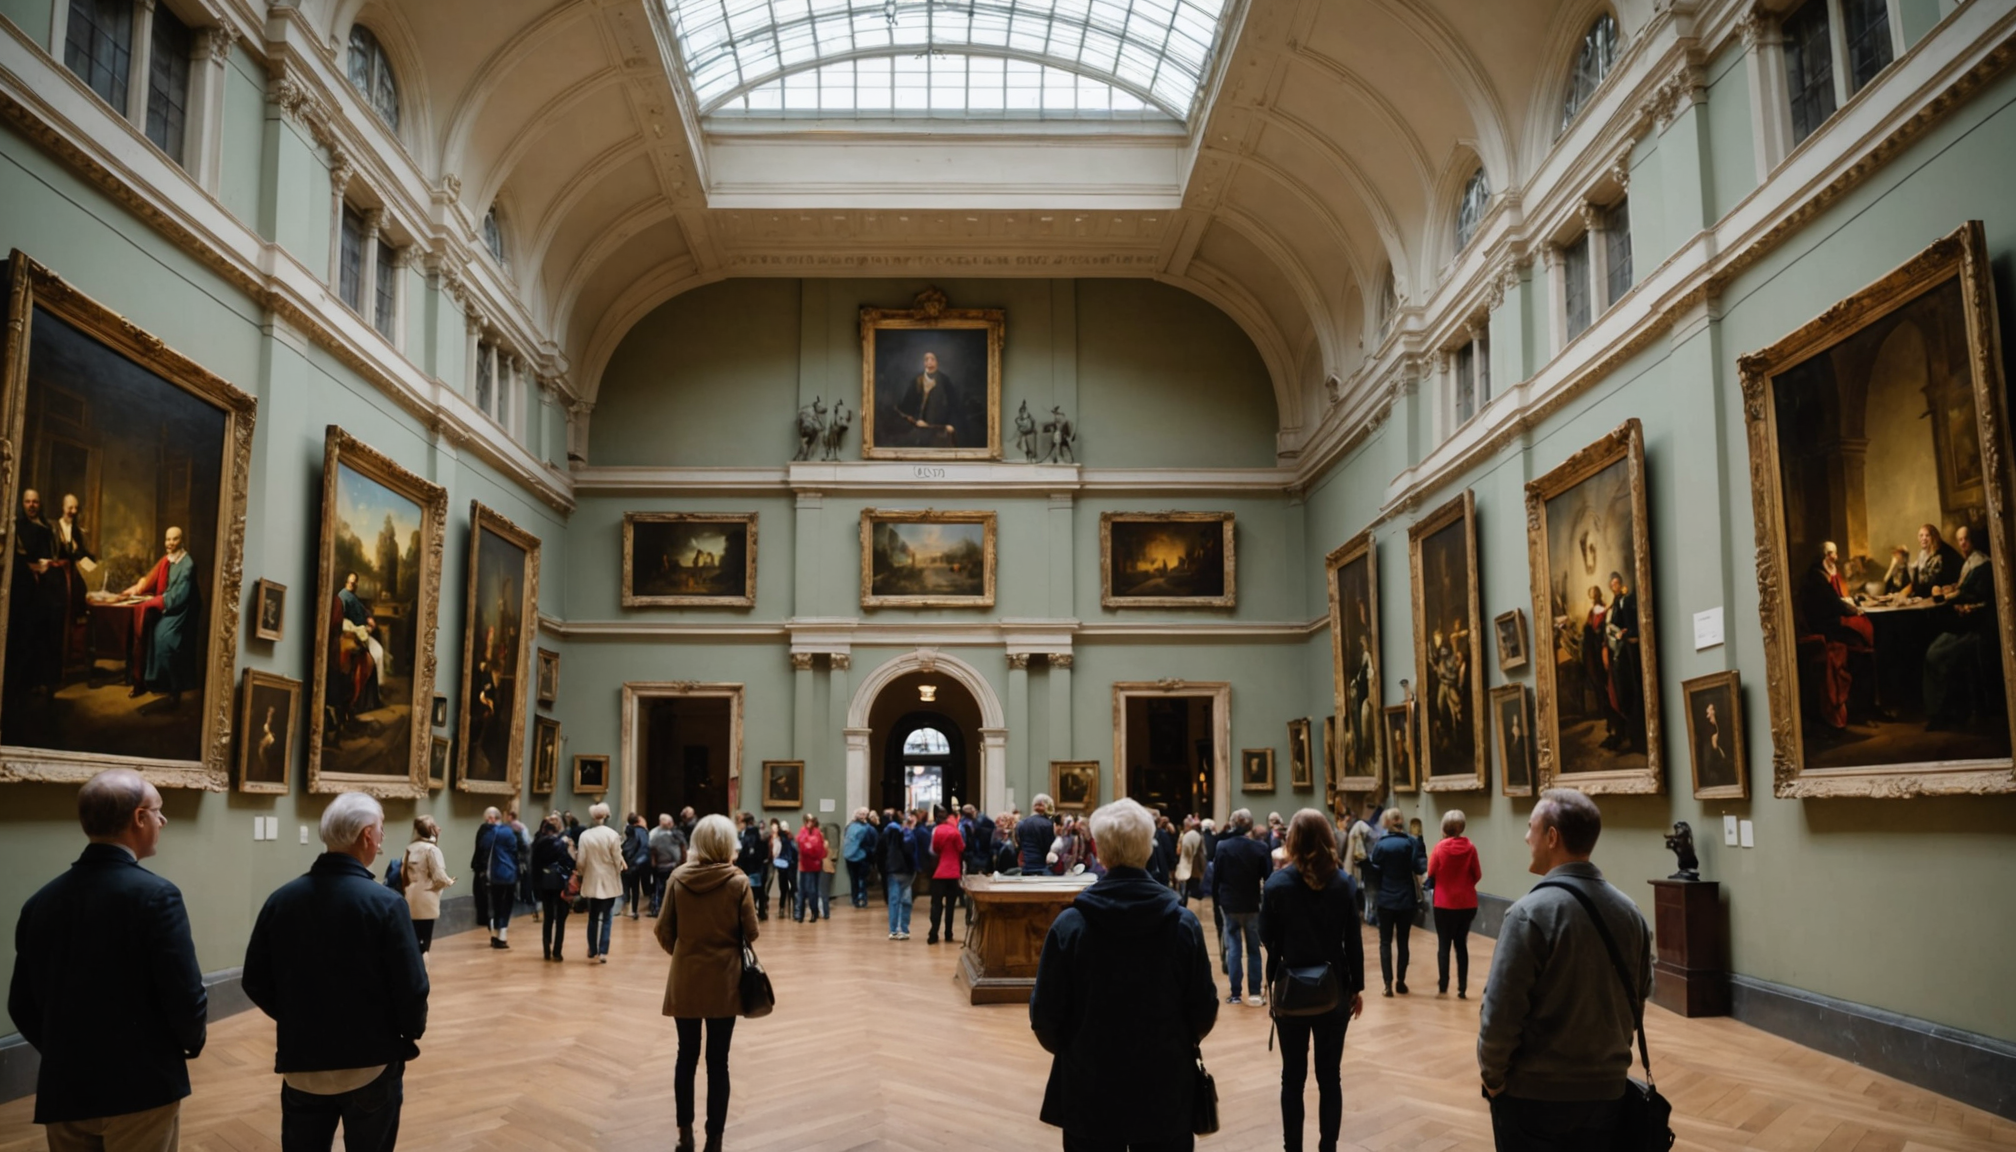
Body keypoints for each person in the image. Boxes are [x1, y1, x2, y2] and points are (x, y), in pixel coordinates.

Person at [10, 767, 205, 1152]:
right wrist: (190, 1042)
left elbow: (21, 1004)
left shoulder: (40, 902)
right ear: (138, 818)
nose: (162, 821)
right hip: (142, 1087)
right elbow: (184, 993)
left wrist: (66, 1052)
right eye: (158, 811)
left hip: (65, 1088)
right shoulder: (157, 896)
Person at [1029, 798, 1218, 1152]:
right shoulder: (1182, 924)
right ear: (1148, 849)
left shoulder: (1071, 925)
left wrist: (1078, 1048)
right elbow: (1204, 1010)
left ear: (1098, 851)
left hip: (1089, 1087)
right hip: (1165, 1087)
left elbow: (1045, 1017)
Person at [244, 792, 429, 1152]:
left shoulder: (282, 899)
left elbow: (254, 979)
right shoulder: (386, 904)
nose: (381, 840)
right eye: (380, 831)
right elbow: (412, 987)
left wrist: (297, 1016)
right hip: (371, 1063)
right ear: (365, 836)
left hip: (302, 1065)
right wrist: (407, 1032)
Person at [1479, 789, 1651, 1151]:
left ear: (1552, 836)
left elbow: (1500, 1016)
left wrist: (1493, 1080)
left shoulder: (1529, 913)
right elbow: (1637, 1003)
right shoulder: (1631, 913)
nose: (1527, 837)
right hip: (1608, 1095)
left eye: (1531, 828)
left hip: (1536, 1100)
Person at [1260, 809, 1367, 1152]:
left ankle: (1292, 1148)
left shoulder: (1277, 884)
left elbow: (1265, 936)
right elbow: (1353, 940)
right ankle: (1328, 1148)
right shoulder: (1343, 883)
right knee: (1329, 1078)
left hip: (1290, 992)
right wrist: (1358, 987)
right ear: (1326, 838)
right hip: (1334, 989)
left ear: (1292, 839)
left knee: (1292, 1078)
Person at [655, 814, 759, 1152]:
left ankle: (685, 1135)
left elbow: (663, 931)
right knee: (719, 1061)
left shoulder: (678, 879)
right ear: (728, 844)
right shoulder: (737, 881)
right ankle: (715, 1139)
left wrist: (686, 952)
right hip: (725, 981)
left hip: (686, 978)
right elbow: (752, 932)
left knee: (686, 1056)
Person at [1924, 525, 1997, 729]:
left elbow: (1979, 596)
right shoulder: (1970, 562)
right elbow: (1965, 587)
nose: (1962, 543)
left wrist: (1952, 597)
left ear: (1973, 540)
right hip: (1966, 624)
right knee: (1934, 652)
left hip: (1977, 628)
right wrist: (1953, 589)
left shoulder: (1982, 563)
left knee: (1936, 655)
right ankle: (1940, 713)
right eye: (1959, 540)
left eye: (1965, 539)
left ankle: (1943, 713)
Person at [119, 526, 201, 705]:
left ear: (182, 541)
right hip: (168, 607)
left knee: (164, 638)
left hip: (181, 611)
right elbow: (151, 579)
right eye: (167, 539)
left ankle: (174, 688)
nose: (170, 543)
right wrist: (137, 589)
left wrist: (155, 602)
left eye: (174, 539)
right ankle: (149, 682)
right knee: (147, 629)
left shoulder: (187, 564)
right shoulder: (167, 560)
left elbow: (179, 596)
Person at [8, 488, 64, 698]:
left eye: (35, 502)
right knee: (24, 634)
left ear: (40, 504)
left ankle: (44, 680)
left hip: (45, 585)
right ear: (23, 504)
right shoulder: (19, 527)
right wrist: (31, 568)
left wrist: (48, 565)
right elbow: (19, 558)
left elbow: (51, 555)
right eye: (28, 502)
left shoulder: (47, 528)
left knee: (45, 632)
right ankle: (23, 685)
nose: (31, 505)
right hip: (24, 586)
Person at [1212, 809, 1272, 1007]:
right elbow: (1268, 879)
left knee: (1234, 949)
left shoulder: (1222, 846)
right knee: (1254, 949)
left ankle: (1235, 993)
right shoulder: (1260, 848)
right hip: (1252, 904)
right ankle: (1254, 993)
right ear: (1250, 825)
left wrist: (1216, 902)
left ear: (1232, 824)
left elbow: (1216, 879)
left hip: (1230, 905)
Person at [1368, 808, 1426, 996]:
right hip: (1406, 899)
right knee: (1403, 941)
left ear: (1387, 822)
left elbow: (1374, 867)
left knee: (1385, 942)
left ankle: (1387, 984)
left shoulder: (1381, 844)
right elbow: (1418, 867)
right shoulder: (1410, 842)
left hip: (1385, 898)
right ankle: (1401, 980)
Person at [1425, 810, 1482, 998]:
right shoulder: (1470, 847)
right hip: (1467, 903)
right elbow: (1477, 874)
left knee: (1444, 944)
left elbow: (1431, 872)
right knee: (1461, 945)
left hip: (1443, 903)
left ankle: (1443, 985)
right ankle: (1462, 988)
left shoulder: (1440, 848)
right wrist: (1464, 887)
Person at [575, 803, 626, 963]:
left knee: (592, 917)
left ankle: (592, 949)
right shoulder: (612, 835)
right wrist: (617, 871)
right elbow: (617, 858)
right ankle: (603, 951)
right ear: (606, 816)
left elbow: (581, 861)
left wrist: (582, 873)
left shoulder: (585, 835)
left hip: (592, 879)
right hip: (609, 879)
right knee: (607, 917)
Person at [400, 816, 455, 958]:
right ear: (431, 829)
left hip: (410, 895)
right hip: (427, 899)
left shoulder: (410, 848)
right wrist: (449, 882)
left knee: (413, 938)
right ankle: (423, 973)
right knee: (424, 942)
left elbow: (402, 873)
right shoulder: (432, 850)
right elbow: (439, 876)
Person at [893, 350, 962, 448]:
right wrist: (917, 420)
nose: (929, 363)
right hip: (919, 428)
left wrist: (950, 424)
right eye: (926, 360)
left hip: (939, 429)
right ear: (924, 363)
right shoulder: (916, 381)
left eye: (932, 359)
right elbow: (907, 407)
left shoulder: (945, 381)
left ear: (937, 362)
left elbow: (954, 406)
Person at [531, 816, 575, 961]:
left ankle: (546, 947)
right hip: (560, 882)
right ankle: (557, 951)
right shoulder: (563, 844)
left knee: (548, 916)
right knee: (561, 919)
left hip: (544, 882)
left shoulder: (537, 843)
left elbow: (534, 865)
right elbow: (569, 863)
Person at [927, 806, 965, 944]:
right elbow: (961, 848)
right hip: (953, 872)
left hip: (940, 872)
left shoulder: (936, 830)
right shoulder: (956, 832)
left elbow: (934, 849)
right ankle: (948, 933)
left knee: (936, 904)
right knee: (950, 905)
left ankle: (933, 933)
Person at [880, 809, 917, 939]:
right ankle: (903, 928)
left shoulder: (887, 833)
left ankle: (893, 929)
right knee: (905, 900)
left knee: (894, 899)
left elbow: (880, 853)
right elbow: (911, 851)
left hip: (892, 869)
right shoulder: (907, 834)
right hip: (906, 870)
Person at [1344, 802, 1380, 927]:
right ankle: (1369, 915)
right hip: (1362, 863)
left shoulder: (1352, 828)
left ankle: (1366, 915)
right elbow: (1373, 836)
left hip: (1356, 864)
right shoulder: (1361, 826)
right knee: (1369, 892)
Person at [649, 813, 686, 917]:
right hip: (664, 866)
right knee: (662, 889)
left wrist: (682, 862)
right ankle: (660, 909)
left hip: (671, 866)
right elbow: (653, 851)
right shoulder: (655, 834)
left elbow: (682, 848)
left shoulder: (675, 834)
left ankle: (669, 910)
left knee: (670, 889)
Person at [1912, 523, 1963, 597]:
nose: (1923, 538)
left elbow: (1936, 581)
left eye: (1927, 535)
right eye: (1921, 535)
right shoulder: (1922, 554)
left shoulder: (1941, 553)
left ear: (1934, 537)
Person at [793, 813, 827, 923]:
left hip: (814, 866)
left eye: (811, 821)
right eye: (807, 821)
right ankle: (800, 914)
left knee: (813, 891)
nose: (809, 823)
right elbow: (802, 845)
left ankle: (814, 913)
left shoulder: (817, 833)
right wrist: (808, 847)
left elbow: (818, 849)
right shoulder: (802, 831)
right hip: (803, 866)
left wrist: (809, 847)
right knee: (802, 891)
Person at [734, 813, 768, 920]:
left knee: (751, 891)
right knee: (758, 890)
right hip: (756, 867)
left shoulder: (749, 835)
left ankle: (751, 913)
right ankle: (761, 912)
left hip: (750, 867)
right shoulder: (756, 834)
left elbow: (745, 852)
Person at [843, 807, 877, 908]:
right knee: (860, 880)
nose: (862, 816)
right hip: (863, 857)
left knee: (855, 880)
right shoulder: (870, 829)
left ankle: (856, 899)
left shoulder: (849, 827)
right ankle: (860, 899)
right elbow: (874, 844)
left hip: (853, 857)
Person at [622, 812, 652, 920]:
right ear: (638, 822)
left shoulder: (628, 831)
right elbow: (644, 848)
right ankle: (634, 910)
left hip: (626, 862)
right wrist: (637, 863)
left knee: (626, 886)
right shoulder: (642, 832)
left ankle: (626, 908)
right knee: (635, 888)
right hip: (636, 863)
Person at [1018, 795, 1058, 872]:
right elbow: (1049, 847)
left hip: (1027, 866)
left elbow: (1020, 844)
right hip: (1042, 867)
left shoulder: (1022, 824)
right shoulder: (1048, 824)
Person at [1175, 816, 1206, 907]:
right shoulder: (1198, 836)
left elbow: (1179, 851)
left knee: (1186, 890)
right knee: (1193, 888)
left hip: (1187, 867)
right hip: (1195, 868)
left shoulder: (1185, 836)